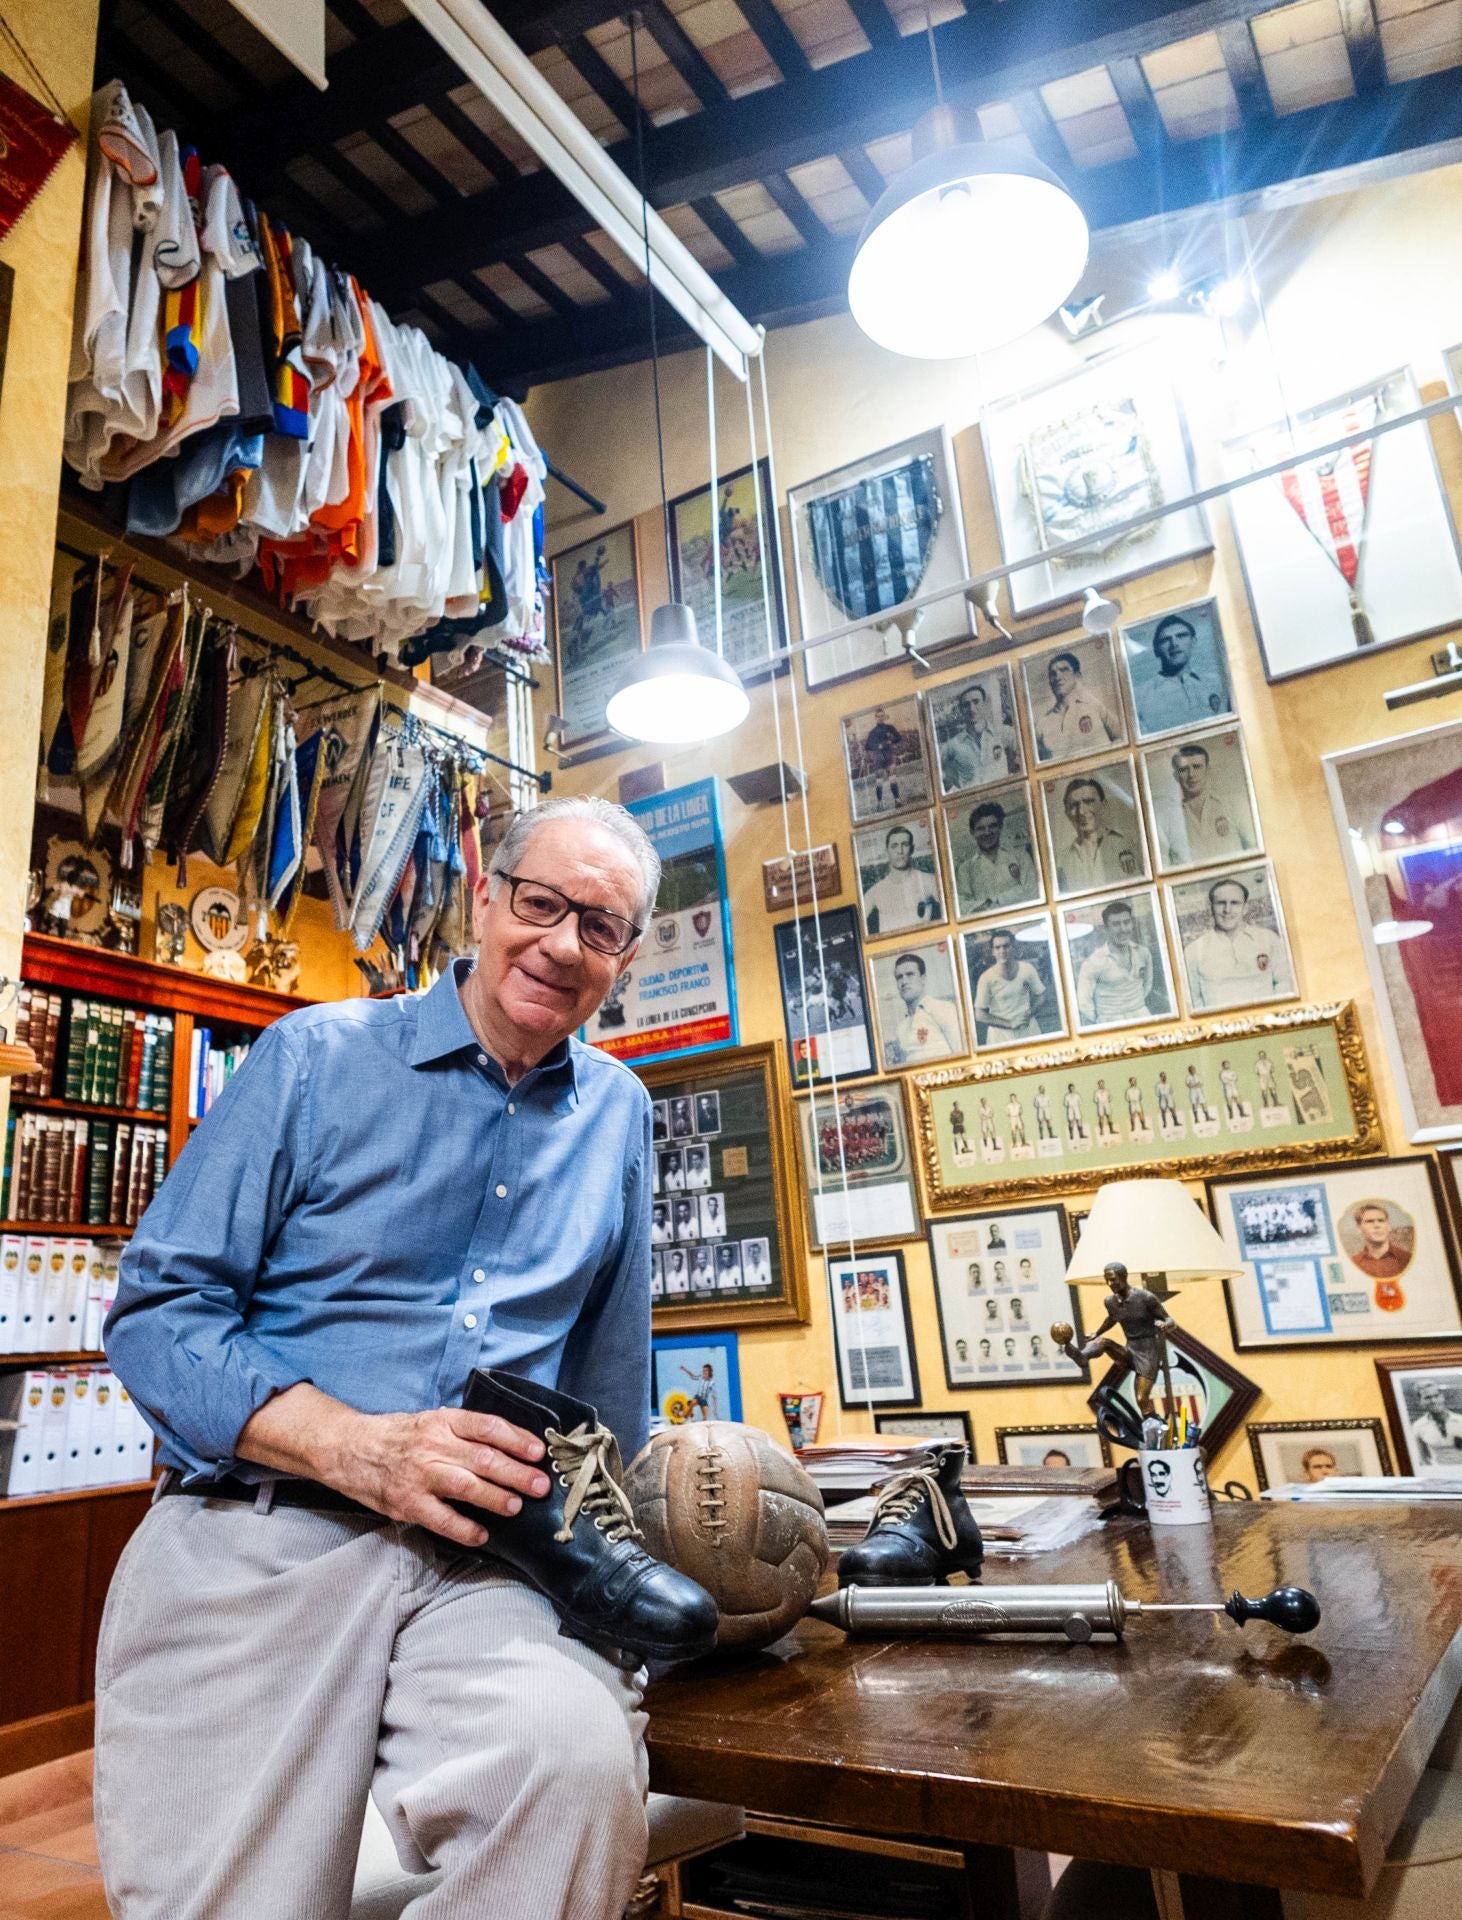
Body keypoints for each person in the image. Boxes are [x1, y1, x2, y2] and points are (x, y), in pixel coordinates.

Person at [99, 795, 666, 1920]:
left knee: (571, 1774)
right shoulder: (314, 1057)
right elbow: (158, 1315)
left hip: (485, 1566)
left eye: (598, 928)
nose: (561, 944)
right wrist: (354, 1447)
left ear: (626, 958)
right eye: (542, 904)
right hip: (259, 1533)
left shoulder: (619, 1114)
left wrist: (628, 1571)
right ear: (485, 895)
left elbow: (608, 1397)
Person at [1182, 875, 1294, 1009]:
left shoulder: (1269, 939)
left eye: (1235, 903)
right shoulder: (1193, 951)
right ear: (1211, 908)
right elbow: (1194, 1000)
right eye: (1221, 903)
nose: (1227, 910)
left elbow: (1284, 983)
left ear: (1245, 908)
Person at [1154, 740, 1254, 869]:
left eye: (1197, 767)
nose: (1191, 774)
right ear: (1176, 776)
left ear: (1208, 769)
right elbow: (1163, 867)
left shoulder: (1235, 805)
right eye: (1184, 769)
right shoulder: (1165, 818)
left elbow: (1254, 850)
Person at [1128, 610, 1230, 734]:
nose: (1174, 644)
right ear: (1156, 650)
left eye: (1181, 636)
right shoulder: (1139, 697)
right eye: (1165, 640)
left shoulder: (1218, 683)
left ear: (1194, 642)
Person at [1054, 776, 1142, 895]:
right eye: (1074, 805)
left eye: (1089, 802)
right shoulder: (1061, 860)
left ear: (1103, 805)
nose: (1081, 811)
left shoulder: (1128, 844)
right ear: (1067, 813)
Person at [1076, 898, 1157, 1028]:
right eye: (1116, 924)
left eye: (1126, 922)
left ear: (1132, 923)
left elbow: (1147, 985)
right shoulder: (1093, 962)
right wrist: (1103, 1020)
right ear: (1105, 928)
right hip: (1110, 1023)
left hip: (1142, 1016)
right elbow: (1083, 1003)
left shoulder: (1143, 953)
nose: (1123, 929)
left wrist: (1135, 1006)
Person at [1034, 649, 1123, 762]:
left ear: (1077, 676)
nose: (1057, 677)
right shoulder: (1042, 724)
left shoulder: (1095, 706)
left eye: (1064, 670)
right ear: (1050, 682)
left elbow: (1122, 739)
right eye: (1053, 673)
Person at [956, 798, 1040, 914]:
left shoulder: (1021, 856)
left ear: (1000, 827)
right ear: (973, 833)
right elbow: (961, 905)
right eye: (980, 829)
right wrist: (987, 904)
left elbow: (1033, 891)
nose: (987, 832)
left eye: (992, 826)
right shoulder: (965, 869)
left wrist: (992, 901)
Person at [884, 950, 963, 1065]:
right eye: (899, 977)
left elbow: (961, 1054)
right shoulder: (901, 1027)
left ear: (923, 978)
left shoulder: (944, 1009)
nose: (904, 981)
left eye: (910, 974)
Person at [863, 823, 942, 935]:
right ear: (887, 851)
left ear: (912, 849)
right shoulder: (875, 892)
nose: (900, 851)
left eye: (904, 844)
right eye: (894, 846)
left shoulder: (929, 880)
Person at [941, 679, 1019, 791]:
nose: (972, 709)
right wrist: (954, 791)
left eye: (976, 701)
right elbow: (938, 773)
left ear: (984, 704)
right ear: (961, 710)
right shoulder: (953, 745)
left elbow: (1023, 755)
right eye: (966, 705)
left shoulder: (1004, 732)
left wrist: (1015, 779)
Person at [973, 928, 1046, 1043]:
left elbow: (1040, 996)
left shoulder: (1027, 969)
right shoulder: (986, 978)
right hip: (1000, 1036)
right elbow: (980, 1014)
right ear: (993, 951)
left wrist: (1029, 1014)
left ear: (1013, 947)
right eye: (997, 947)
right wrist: (1010, 1023)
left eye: (1006, 946)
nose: (1002, 951)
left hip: (1028, 1030)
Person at [1347, 1201, 1413, 1279]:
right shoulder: (1353, 1263)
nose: (1377, 1225)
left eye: (1381, 1220)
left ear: (1388, 1227)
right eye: (1370, 1221)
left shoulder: (1407, 1259)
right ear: (1359, 1229)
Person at [860, 705, 906, 812]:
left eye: (882, 716)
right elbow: (867, 746)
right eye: (878, 716)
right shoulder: (872, 733)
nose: (880, 718)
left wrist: (890, 741)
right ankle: (880, 803)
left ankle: (897, 800)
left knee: (893, 779)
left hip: (889, 755)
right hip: (878, 758)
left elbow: (898, 737)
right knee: (879, 781)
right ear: (875, 718)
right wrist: (878, 746)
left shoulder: (890, 728)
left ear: (885, 716)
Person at [1409, 1381, 1462, 1471]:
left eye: (1436, 1396)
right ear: (1421, 1402)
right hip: (1441, 1475)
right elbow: (1423, 1459)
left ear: (1442, 1397)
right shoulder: (1418, 1426)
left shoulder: (1460, 1420)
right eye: (1427, 1398)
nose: (1433, 1401)